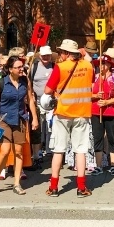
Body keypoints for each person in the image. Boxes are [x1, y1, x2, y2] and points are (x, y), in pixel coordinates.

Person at [42, 39, 94, 197]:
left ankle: (54, 187)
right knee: (81, 151)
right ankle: (81, 188)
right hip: (82, 113)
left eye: (61, 52)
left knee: (59, 150)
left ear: (66, 53)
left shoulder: (60, 67)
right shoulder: (88, 66)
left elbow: (47, 89)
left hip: (63, 112)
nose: (60, 55)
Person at [0, 55, 38, 195]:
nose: (21, 69)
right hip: (4, 119)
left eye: (21, 66)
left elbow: (30, 100)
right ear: (10, 69)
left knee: (18, 151)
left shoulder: (25, 81)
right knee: (4, 151)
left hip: (20, 119)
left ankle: (16, 184)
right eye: (18, 67)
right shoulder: (1, 83)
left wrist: (34, 118)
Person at [90, 49, 114, 175]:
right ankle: (98, 165)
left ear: (110, 64)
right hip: (96, 111)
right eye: (99, 63)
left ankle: (113, 164)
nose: (101, 66)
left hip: (112, 111)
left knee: (112, 137)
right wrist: (94, 96)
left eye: (104, 63)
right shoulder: (95, 78)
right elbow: (87, 94)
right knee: (97, 137)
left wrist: (107, 102)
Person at [29, 45, 54, 165]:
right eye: (44, 56)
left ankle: (50, 150)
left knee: (51, 127)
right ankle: (38, 152)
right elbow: (29, 83)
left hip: (51, 102)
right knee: (38, 127)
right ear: (39, 56)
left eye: (48, 55)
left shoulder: (54, 66)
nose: (46, 57)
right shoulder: (33, 67)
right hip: (37, 102)